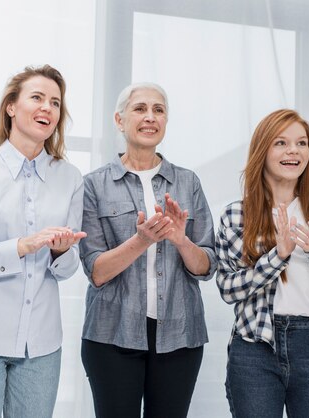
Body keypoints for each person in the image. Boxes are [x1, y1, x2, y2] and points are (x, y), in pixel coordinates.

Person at [0, 64, 86, 418]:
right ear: (11, 106)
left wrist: (60, 251)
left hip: (41, 342)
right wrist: (20, 247)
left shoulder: (71, 178)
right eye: (37, 97)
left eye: (55, 103)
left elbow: (68, 268)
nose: (47, 108)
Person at [79, 82, 217, 418]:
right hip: (111, 334)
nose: (150, 117)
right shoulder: (94, 184)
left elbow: (208, 266)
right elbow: (96, 271)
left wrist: (181, 240)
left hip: (179, 335)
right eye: (140, 108)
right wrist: (142, 240)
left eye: (159, 110)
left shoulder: (188, 182)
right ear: (119, 120)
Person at [215, 109, 309, 417]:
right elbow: (228, 289)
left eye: (302, 143)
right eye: (281, 143)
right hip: (255, 344)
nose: (294, 151)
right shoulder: (236, 215)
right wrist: (278, 256)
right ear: (262, 150)